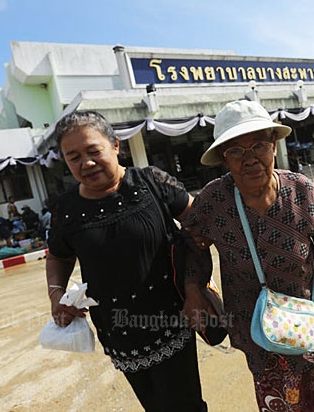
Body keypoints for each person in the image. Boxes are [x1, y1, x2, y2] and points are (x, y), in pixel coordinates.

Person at [182, 100, 314, 411]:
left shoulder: (301, 190)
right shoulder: (212, 201)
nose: (250, 158)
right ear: (224, 160)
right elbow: (192, 246)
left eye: (258, 145)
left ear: (273, 145)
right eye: (236, 151)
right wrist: (194, 290)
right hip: (259, 330)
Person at [45, 110, 207, 412]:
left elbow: (199, 225)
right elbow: (58, 254)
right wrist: (56, 293)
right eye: (74, 157)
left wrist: (196, 286)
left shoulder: (151, 182)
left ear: (115, 145)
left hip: (171, 319)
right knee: (154, 405)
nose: (87, 163)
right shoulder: (66, 209)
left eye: (94, 151)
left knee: (184, 405)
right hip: (117, 330)